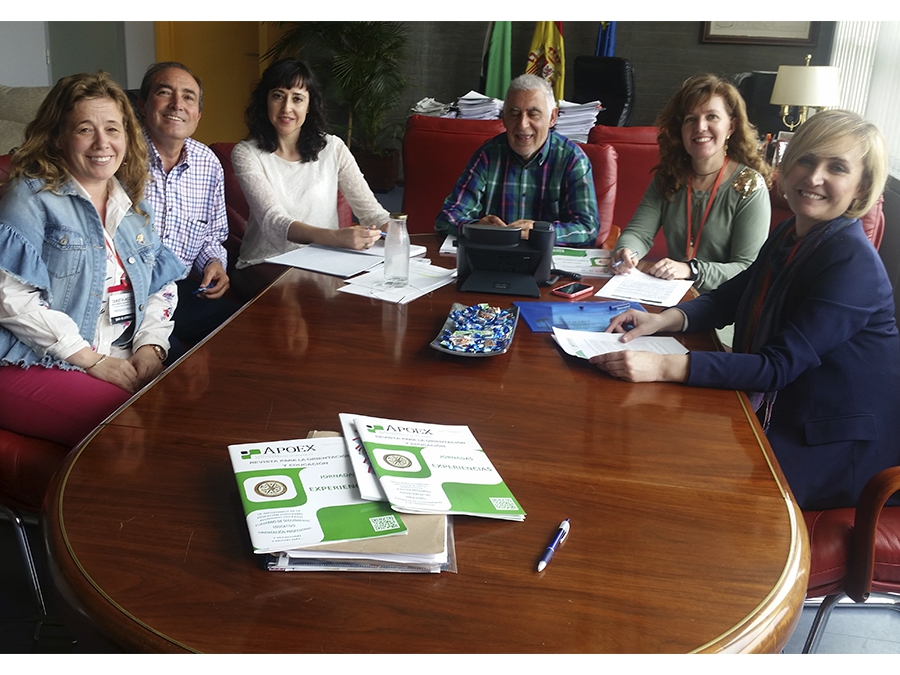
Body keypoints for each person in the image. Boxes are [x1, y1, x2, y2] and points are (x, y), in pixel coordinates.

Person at [591, 110, 900, 511]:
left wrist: (662, 365)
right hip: (786, 409)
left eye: (836, 168)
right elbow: (730, 298)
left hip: (834, 444)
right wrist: (662, 320)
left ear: (861, 188)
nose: (813, 177)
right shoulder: (792, 233)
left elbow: (776, 367)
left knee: (687, 486)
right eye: (806, 160)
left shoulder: (852, 263)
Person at [0, 72, 185, 448]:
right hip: (29, 358)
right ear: (58, 136)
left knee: (193, 409)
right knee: (132, 433)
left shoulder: (132, 203)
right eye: (85, 129)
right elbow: (11, 299)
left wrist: (150, 346)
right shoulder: (30, 197)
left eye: (112, 129)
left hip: (116, 352)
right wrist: (90, 360)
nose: (103, 143)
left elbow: (160, 286)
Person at [612, 74, 772, 294]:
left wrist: (692, 270)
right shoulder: (669, 176)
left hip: (724, 303)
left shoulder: (750, 186)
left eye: (712, 117)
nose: (700, 127)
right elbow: (639, 234)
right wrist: (627, 251)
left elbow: (749, 269)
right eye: (690, 119)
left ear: (731, 126)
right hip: (673, 294)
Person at [233, 58, 389, 269]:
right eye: (278, 96)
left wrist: (393, 229)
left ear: (308, 106)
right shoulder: (246, 153)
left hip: (325, 262)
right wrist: (336, 237)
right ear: (265, 100)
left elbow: (372, 212)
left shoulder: (333, 148)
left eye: (297, 99)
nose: (286, 108)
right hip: (267, 263)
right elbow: (275, 222)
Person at [138, 61, 239, 350]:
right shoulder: (119, 156)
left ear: (198, 115)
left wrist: (214, 263)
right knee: (170, 361)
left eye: (188, 97)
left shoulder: (208, 164)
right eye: (164, 92)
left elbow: (212, 235)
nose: (177, 104)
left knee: (246, 333)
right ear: (143, 105)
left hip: (179, 292)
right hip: (127, 295)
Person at [435, 73, 599, 246]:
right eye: (514, 114)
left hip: (547, 257)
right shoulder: (488, 155)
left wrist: (541, 231)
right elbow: (447, 217)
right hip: (495, 253)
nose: (522, 124)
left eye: (533, 114)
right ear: (504, 118)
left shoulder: (572, 159)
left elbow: (588, 229)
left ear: (552, 117)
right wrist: (475, 227)